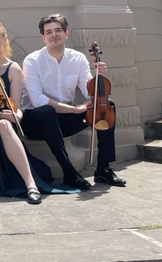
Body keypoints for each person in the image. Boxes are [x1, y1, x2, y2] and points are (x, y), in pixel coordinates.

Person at [0, 22, 79, 205]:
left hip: (0, 115)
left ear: (4, 39)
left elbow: (16, 106)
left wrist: (15, 117)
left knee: (1, 123)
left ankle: (30, 184)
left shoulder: (14, 68)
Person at [21, 13, 126, 191]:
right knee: (46, 111)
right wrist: (74, 110)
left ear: (66, 33)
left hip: (64, 119)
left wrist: (98, 79)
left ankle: (103, 168)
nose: (54, 35)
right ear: (43, 37)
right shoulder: (32, 60)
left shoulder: (77, 58)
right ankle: (69, 173)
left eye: (58, 30)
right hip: (35, 122)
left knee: (108, 105)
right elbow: (38, 101)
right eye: (49, 32)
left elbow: (88, 91)